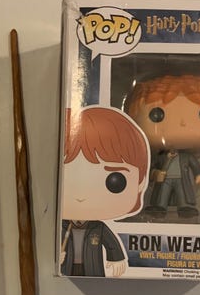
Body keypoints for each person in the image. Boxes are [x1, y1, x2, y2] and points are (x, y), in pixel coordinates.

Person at [61, 106, 149, 277]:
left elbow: (111, 244)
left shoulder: (98, 227)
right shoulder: (60, 228)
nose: (82, 196)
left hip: (93, 269)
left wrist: (117, 258)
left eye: (115, 181)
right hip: (65, 268)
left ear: (141, 182)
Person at [128, 75, 200, 218]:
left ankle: (185, 207)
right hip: (164, 179)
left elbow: (195, 166)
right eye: (157, 115)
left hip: (181, 180)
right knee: (162, 194)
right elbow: (150, 169)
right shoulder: (160, 157)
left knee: (182, 193)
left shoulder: (186, 157)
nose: (183, 123)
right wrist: (154, 174)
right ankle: (159, 207)